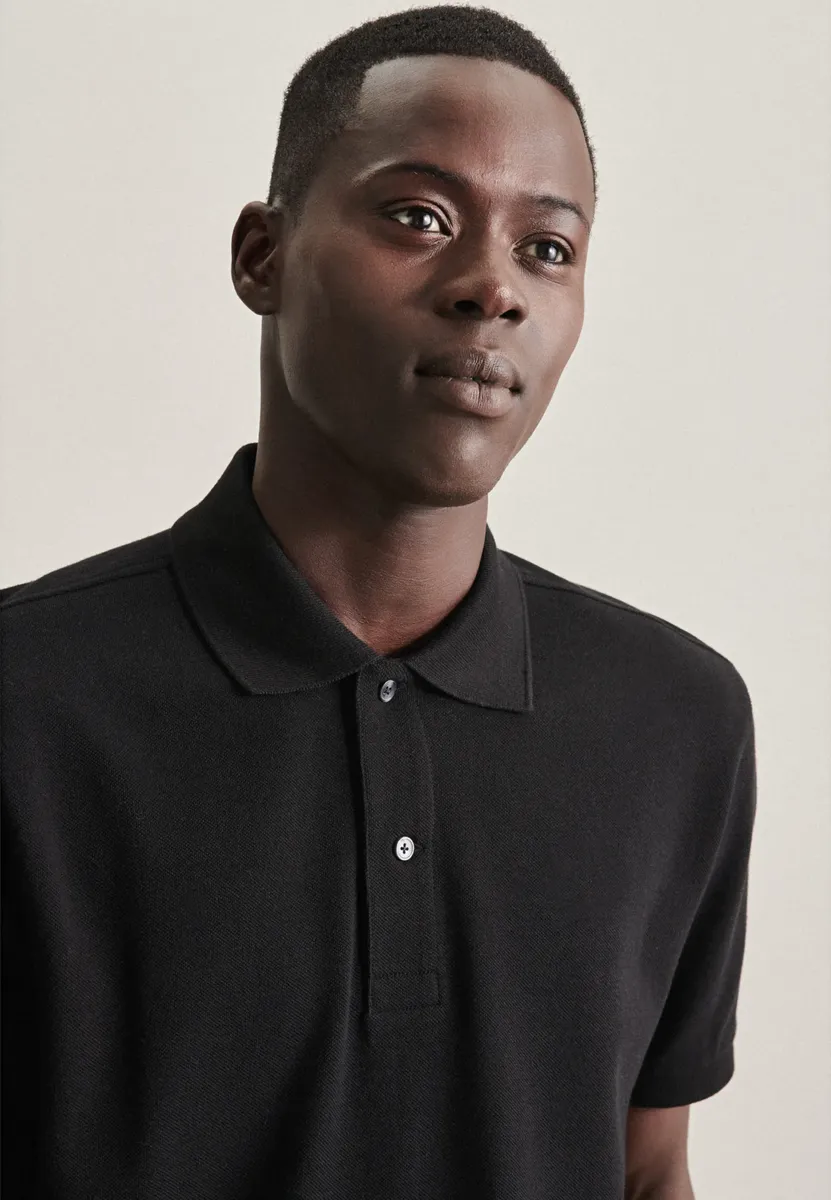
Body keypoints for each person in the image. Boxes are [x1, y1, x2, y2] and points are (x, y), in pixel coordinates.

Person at [1, 6, 757, 1198]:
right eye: (419, 217)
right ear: (262, 256)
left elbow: (649, 1169)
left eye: (547, 248)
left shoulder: (677, 721)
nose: (491, 287)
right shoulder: (29, 701)